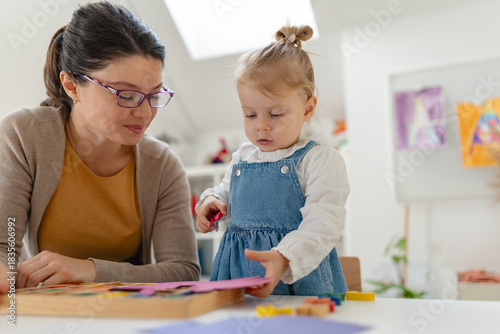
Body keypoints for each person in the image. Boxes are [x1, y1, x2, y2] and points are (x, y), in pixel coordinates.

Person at [0, 1, 200, 292]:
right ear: (71, 86)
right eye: (127, 95)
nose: (145, 113)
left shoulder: (162, 164)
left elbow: (184, 271)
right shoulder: (25, 135)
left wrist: (90, 270)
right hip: (45, 312)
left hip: (130, 315)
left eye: (154, 95)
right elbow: (3, 247)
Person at [195, 25, 350, 297]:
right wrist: (210, 202)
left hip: (298, 279)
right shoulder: (243, 157)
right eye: (250, 115)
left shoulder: (318, 161)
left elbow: (323, 224)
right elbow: (224, 192)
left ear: (308, 108)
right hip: (237, 272)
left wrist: (285, 256)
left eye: (276, 114)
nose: (261, 127)